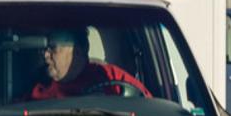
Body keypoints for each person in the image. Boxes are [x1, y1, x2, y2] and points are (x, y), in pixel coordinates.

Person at [23, 27, 151, 101]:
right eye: (44, 49)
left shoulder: (111, 77)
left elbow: (148, 107)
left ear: (79, 51)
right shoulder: (37, 87)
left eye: (53, 48)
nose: (46, 55)